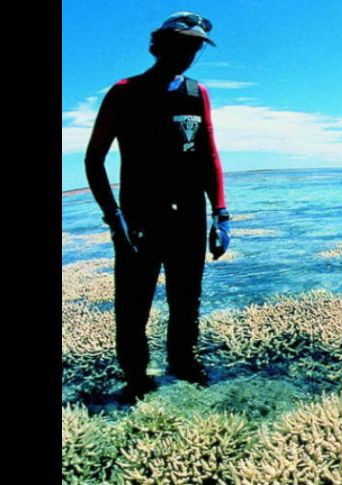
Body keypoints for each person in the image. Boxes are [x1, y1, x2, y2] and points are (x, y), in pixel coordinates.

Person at [84, 12, 231, 403]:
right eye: (182, 43)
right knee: (133, 305)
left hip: (189, 217)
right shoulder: (125, 91)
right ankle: (135, 378)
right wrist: (115, 219)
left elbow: (208, 156)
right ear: (159, 44)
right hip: (138, 218)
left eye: (196, 46)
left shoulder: (197, 94)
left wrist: (220, 214)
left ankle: (182, 364)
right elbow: (93, 159)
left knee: (187, 300)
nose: (190, 52)